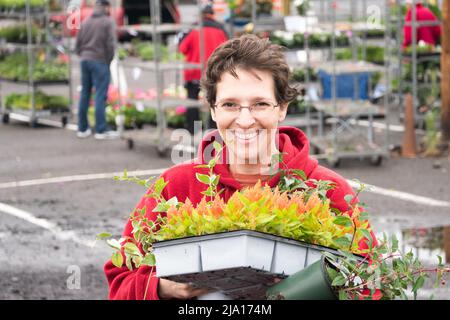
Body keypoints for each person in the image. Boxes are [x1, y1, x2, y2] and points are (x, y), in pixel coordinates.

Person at [104, 34, 377, 300]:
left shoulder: (328, 191)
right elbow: (120, 282)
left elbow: (372, 284)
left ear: (281, 108)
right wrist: (164, 289)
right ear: (213, 110)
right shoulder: (175, 188)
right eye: (230, 105)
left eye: (259, 104)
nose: (245, 120)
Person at [178, 4, 229, 135]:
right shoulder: (221, 29)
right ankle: (213, 131)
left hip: (193, 72)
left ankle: (192, 130)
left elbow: (182, 49)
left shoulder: (193, 29)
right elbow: (228, 51)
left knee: (192, 101)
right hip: (214, 73)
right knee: (215, 102)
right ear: (212, 15)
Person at [75, 0, 119, 140]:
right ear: (106, 7)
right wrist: (108, 60)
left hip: (84, 60)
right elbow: (111, 44)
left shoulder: (86, 21)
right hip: (99, 61)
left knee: (85, 94)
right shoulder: (108, 21)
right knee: (100, 95)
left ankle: (82, 128)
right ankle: (101, 129)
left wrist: (83, 55)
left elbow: (77, 44)